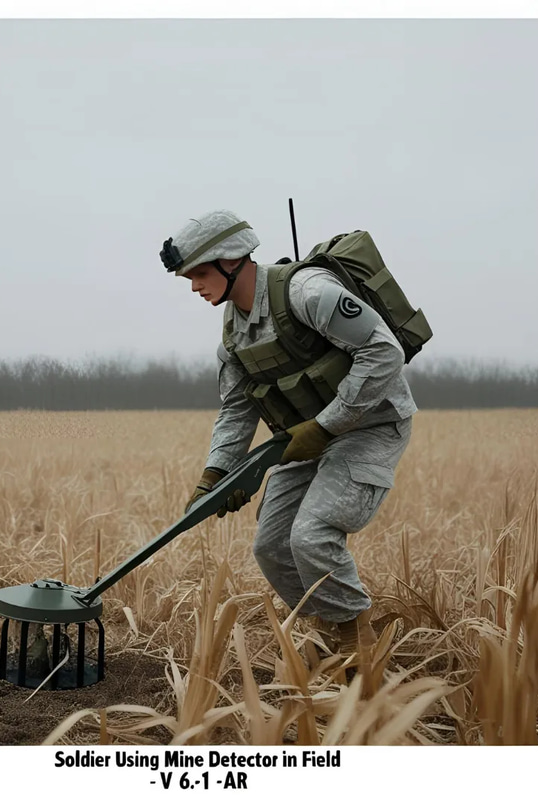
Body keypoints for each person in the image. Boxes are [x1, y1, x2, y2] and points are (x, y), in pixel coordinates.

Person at [160, 209, 417, 660]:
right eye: (188, 280)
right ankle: (329, 630)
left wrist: (324, 426)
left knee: (312, 535)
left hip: (370, 424)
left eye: (199, 274)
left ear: (231, 260)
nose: (195, 286)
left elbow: (383, 352)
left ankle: (359, 644)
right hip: (302, 438)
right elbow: (238, 408)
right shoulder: (233, 336)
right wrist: (216, 475)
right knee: (273, 546)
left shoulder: (308, 292)